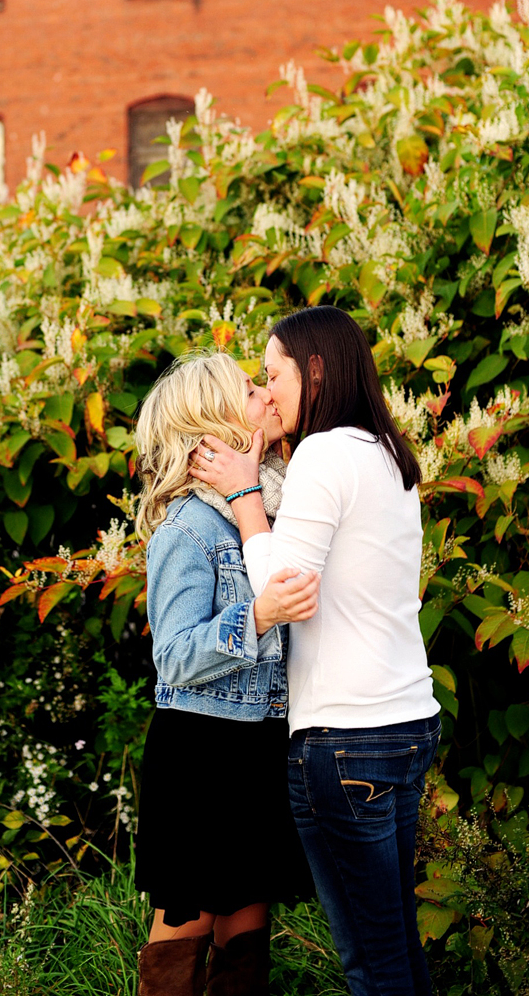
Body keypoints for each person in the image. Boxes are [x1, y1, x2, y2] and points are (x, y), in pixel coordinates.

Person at [190, 306, 441, 996]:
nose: (265, 392)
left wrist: (245, 497)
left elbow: (284, 591)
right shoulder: (389, 454)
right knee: (398, 944)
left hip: (345, 738)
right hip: (407, 723)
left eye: (273, 374)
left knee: (374, 961)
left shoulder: (325, 454)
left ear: (318, 368)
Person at [133, 350, 317, 996]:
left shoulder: (269, 508)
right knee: (189, 915)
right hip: (202, 752)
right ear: (212, 419)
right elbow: (175, 656)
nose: (267, 395)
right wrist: (258, 615)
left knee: (246, 915)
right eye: (249, 389)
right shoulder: (186, 526)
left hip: (262, 742)